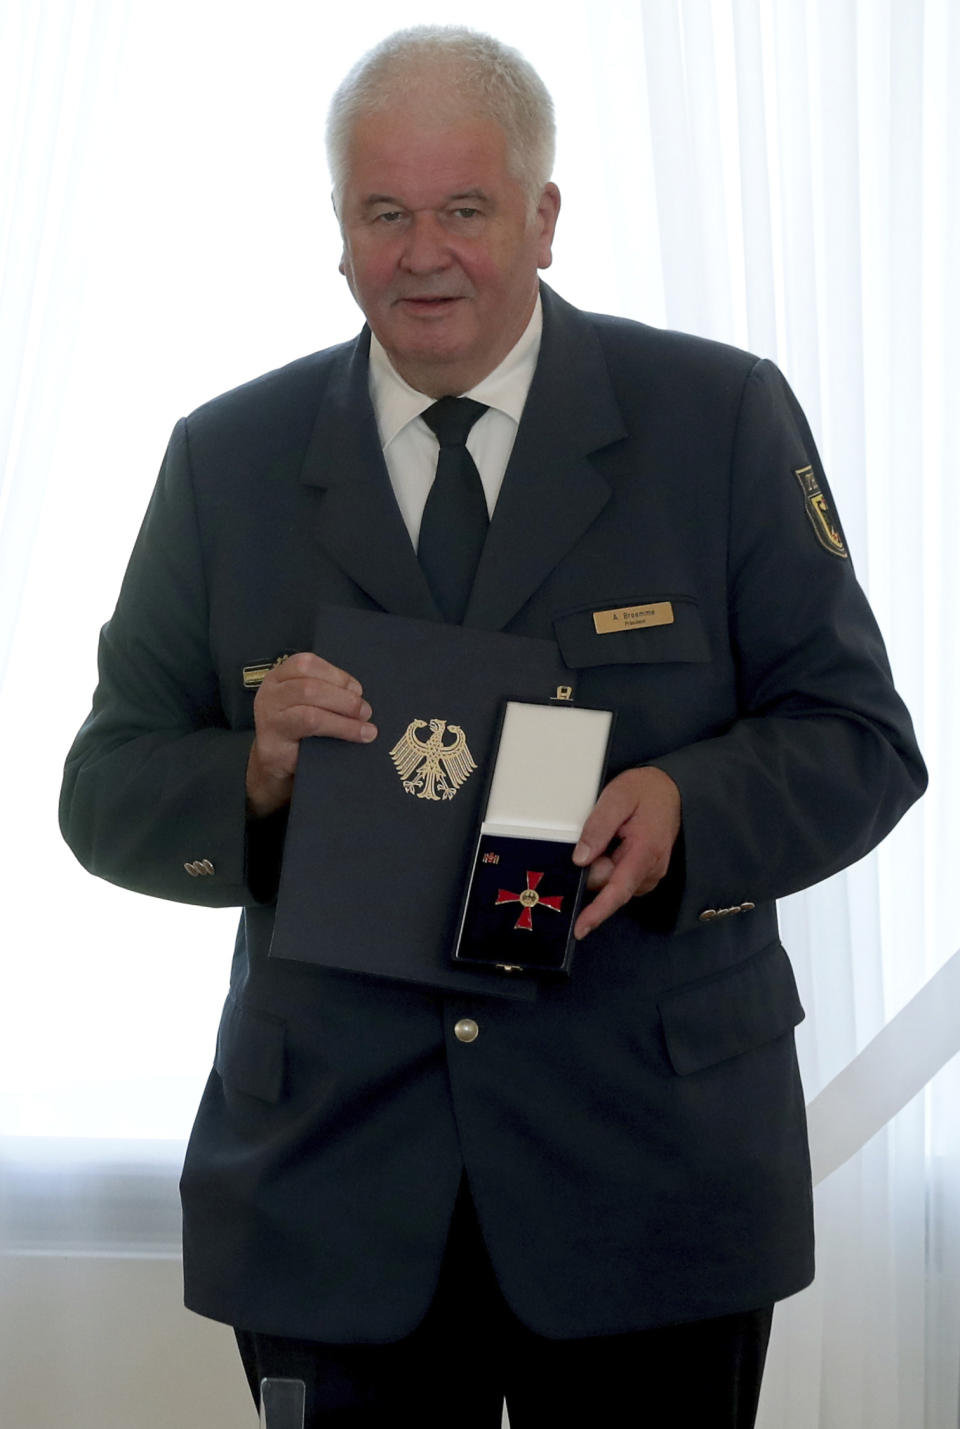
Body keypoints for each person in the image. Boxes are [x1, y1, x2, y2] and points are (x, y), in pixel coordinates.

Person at [60, 25, 926, 1429]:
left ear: (543, 215)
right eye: (381, 212)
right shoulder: (229, 460)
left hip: (651, 1180)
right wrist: (255, 772)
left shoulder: (715, 419)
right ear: (336, 226)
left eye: (464, 209)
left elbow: (860, 738)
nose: (423, 254)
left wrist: (687, 811)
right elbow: (103, 788)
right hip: (335, 1195)